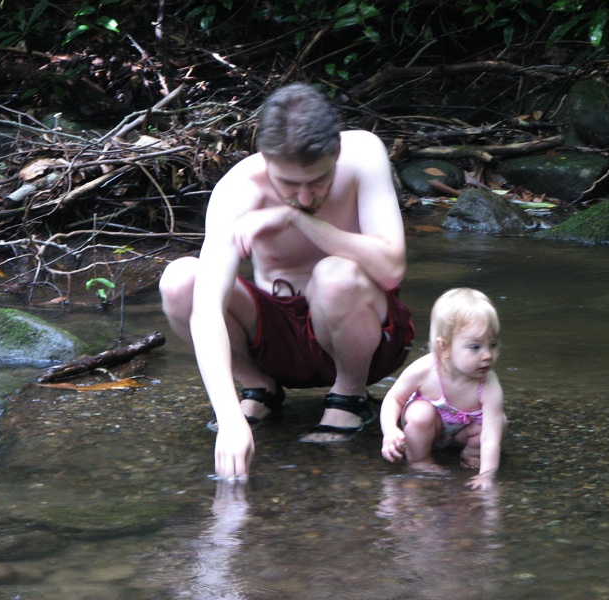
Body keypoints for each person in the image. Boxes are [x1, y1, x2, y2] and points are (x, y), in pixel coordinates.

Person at [159, 82, 415, 481]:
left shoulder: (363, 153)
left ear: (336, 153)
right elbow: (206, 308)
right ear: (266, 159)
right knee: (181, 280)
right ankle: (260, 389)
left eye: (317, 181)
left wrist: (300, 220)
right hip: (276, 336)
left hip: (361, 331)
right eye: (289, 184)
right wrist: (228, 419)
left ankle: (349, 397)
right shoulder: (238, 190)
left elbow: (391, 269)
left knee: (335, 273)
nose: (306, 195)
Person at [380, 288, 506, 491]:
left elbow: (491, 437)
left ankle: (471, 455)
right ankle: (420, 460)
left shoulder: (489, 385)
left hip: (461, 434)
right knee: (421, 413)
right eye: (475, 347)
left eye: (493, 345)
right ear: (444, 347)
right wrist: (390, 430)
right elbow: (394, 398)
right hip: (429, 427)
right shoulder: (426, 369)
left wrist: (487, 475)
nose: (487, 356)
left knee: (498, 421)